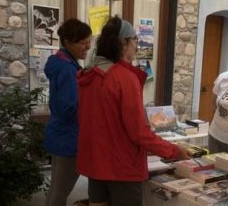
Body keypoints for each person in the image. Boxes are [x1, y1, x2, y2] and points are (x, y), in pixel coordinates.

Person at [76, 16, 189, 206]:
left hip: (95, 163)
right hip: (122, 168)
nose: (137, 45)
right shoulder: (123, 78)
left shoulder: (88, 74)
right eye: (135, 39)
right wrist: (174, 151)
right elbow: (139, 132)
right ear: (124, 42)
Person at [44, 18, 92, 206]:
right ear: (67, 42)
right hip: (69, 139)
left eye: (89, 40)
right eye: (83, 42)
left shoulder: (63, 63)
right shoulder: (66, 69)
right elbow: (70, 109)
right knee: (59, 192)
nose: (88, 47)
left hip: (60, 135)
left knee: (56, 189)